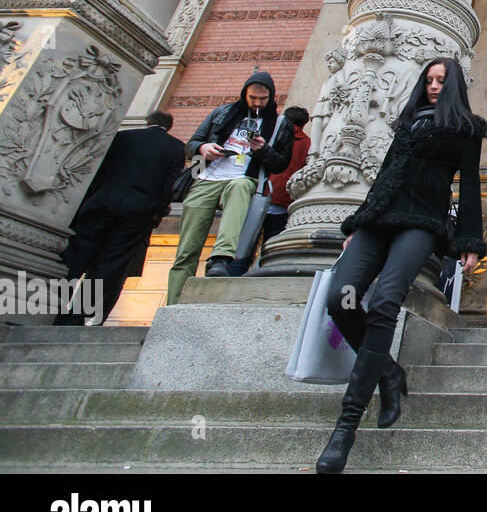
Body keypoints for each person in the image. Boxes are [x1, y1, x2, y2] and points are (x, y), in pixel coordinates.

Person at [316, 57, 487, 473]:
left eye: (440, 81)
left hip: (422, 222)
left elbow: (468, 184)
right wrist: (357, 222)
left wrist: (469, 240)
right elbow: (385, 174)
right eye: (428, 80)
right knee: (340, 299)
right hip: (378, 219)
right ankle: (389, 372)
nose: (432, 86)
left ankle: (346, 426)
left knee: (385, 302)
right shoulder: (407, 121)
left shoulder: (467, 129)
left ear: (453, 85)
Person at [166, 72, 295, 304]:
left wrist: (262, 150)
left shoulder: (278, 124)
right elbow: (192, 143)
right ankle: (173, 304)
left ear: (271, 97)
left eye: (263, 99)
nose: (257, 103)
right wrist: (203, 148)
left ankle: (221, 257)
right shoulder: (223, 112)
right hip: (206, 179)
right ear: (244, 94)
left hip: (242, 179)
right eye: (252, 97)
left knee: (241, 185)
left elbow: (281, 163)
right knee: (186, 252)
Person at [54, 111, 185, 325]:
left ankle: (54, 307)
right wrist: (159, 211)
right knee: (109, 264)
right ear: (169, 126)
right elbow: (170, 184)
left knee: (76, 257)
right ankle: (77, 317)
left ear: (148, 121)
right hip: (138, 212)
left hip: (101, 203)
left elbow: (99, 169)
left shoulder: (123, 137)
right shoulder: (176, 147)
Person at [229, 105, 312, 276]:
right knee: (271, 248)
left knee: (244, 244)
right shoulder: (306, 143)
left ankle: (233, 277)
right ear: (304, 124)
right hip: (284, 202)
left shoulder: (273, 135)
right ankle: (262, 278)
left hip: (261, 195)